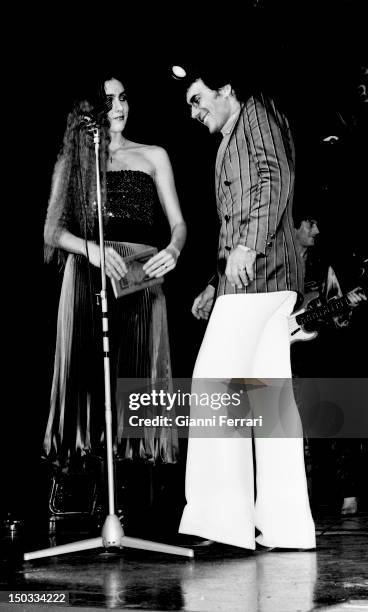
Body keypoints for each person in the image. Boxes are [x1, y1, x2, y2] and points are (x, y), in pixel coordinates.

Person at [174, 64, 315, 550]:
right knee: (272, 402)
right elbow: (238, 218)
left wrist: (248, 249)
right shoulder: (230, 138)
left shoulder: (255, 112)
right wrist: (216, 285)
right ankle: (287, 526)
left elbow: (276, 177)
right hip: (265, 280)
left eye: (198, 98)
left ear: (227, 90)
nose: (193, 111)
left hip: (262, 276)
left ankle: (220, 520)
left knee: (213, 385)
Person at [43, 75, 187, 483]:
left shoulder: (154, 154)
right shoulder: (75, 158)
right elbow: (52, 231)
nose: (119, 107)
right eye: (109, 101)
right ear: (91, 110)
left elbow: (179, 225)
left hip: (140, 274)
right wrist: (92, 249)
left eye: (124, 97)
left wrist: (173, 250)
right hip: (89, 274)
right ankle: (89, 483)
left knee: (138, 377)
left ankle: (135, 487)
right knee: (90, 381)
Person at [292, 212, 367, 516]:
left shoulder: (323, 263)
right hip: (292, 356)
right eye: (310, 224)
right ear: (294, 227)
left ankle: (349, 494)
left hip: (326, 352)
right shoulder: (281, 264)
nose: (317, 229)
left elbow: (337, 316)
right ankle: (315, 494)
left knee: (339, 421)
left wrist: (344, 304)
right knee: (307, 427)